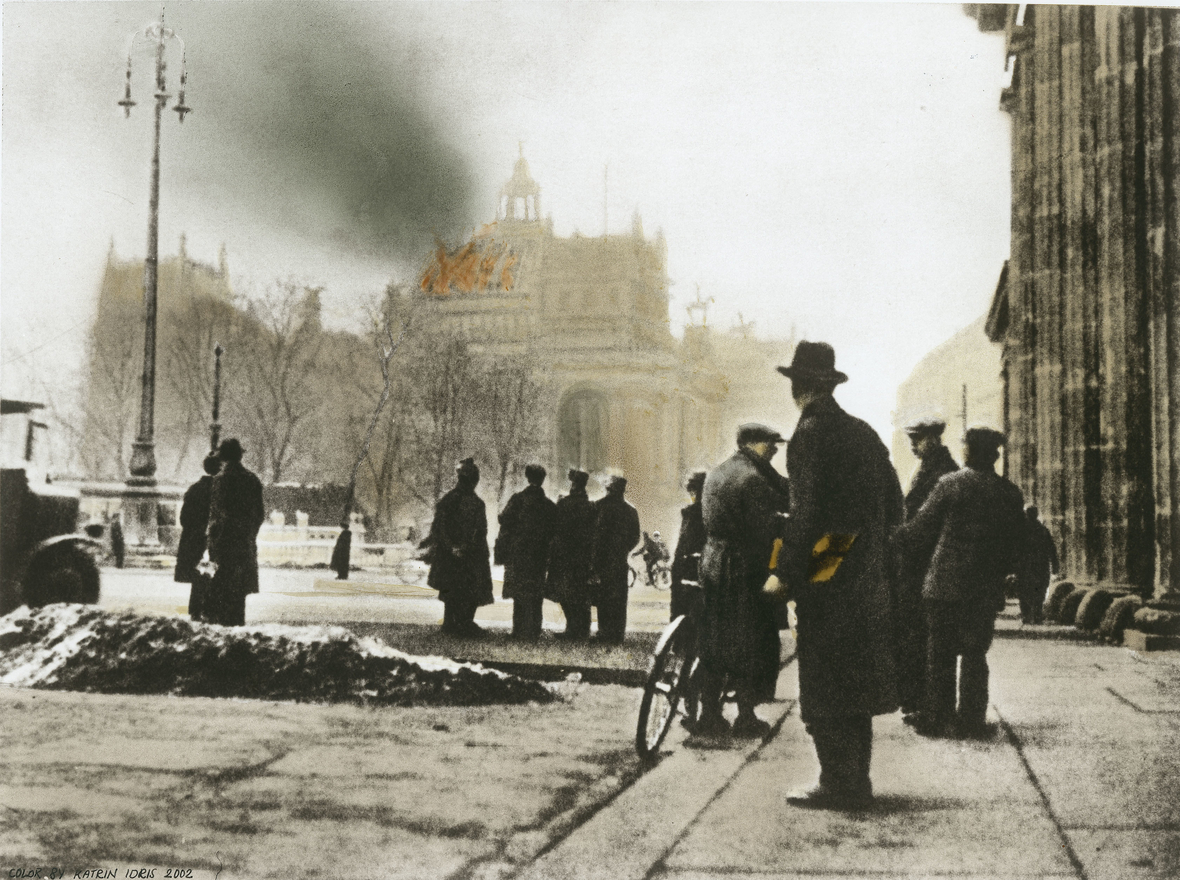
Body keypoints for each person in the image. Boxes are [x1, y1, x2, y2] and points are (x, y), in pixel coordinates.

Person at [765, 341, 904, 810]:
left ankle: (836, 783)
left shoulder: (810, 432)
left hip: (829, 571)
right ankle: (856, 779)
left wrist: (785, 573)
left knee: (823, 676)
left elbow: (803, 514)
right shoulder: (862, 432)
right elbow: (893, 502)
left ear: (798, 387)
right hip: (866, 568)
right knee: (856, 678)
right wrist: (867, 553)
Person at [895, 427, 1025, 739]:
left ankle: (939, 718)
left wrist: (891, 533)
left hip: (943, 585)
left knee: (939, 653)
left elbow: (917, 531)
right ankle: (972, 719)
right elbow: (1016, 544)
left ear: (968, 451)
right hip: (984, 587)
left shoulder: (949, 485)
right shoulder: (1009, 492)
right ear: (993, 454)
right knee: (975, 653)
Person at [696, 425, 790, 738]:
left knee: (713, 639)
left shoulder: (718, 472)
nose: (775, 449)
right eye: (770, 444)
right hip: (743, 567)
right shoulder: (752, 479)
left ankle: (709, 714)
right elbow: (763, 531)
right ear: (753, 444)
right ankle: (746, 716)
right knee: (751, 640)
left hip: (712, 563)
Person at [896, 417, 959, 723]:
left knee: (923, 635)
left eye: (918, 440)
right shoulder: (929, 468)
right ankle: (916, 700)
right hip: (919, 562)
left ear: (934, 439)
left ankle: (923, 703)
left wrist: (897, 537)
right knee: (916, 633)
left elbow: (925, 523)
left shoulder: (943, 472)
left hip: (927, 563)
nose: (913, 446)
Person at [424, 457, 495, 638]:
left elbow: (439, 528)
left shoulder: (449, 500)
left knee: (453, 589)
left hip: (454, 555)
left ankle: (453, 623)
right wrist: (461, 547)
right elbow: (480, 531)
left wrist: (452, 548)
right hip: (469, 556)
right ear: (473, 481)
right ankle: (463, 623)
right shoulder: (475, 503)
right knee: (468, 590)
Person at [205, 438, 265, 626]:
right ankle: (238, 629)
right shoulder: (252, 479)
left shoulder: (221, 480)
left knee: (222, 591)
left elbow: (217, 516)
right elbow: (259, 515)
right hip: (244, 544)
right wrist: (249, 535)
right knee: (239, 594)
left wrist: (213, 543)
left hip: (224, 545)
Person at [498, 464, 557, 641]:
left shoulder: (518, 499)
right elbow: (554, 530)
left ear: (527, 477)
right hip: (539, 554)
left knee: (520, 591)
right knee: (536, 591)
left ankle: (519, 630)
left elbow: (503, 519)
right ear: (542, 479)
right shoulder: (548, 505)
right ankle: (534, 630)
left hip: (519, 553)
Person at [546, 470, 597, 641]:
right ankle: (581, 630)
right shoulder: (591, 506)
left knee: (565, 594)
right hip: (582, 556)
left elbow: (554, 527)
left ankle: (572, 629)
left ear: (573, 484)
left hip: (564, 555)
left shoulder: (564, 504)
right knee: (581, 594)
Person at [590, 476, 641, 645]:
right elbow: (635, 537)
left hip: (601, 558)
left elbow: (592, 535)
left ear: (608, 488)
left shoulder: (598, 506)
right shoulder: (631, 510)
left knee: (603, 596)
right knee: (619, 598)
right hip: (619, 559)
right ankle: (617, 634)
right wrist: (623, 549)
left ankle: (603, 633)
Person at [174, 453, 221, 621]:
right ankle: (210, 611)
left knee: (197, 577)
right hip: (213, 541)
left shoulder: (194, 489)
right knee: (213, 576)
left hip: (194, 541)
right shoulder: (221, 490)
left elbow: (184, 519)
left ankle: (195, 610)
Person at [670, 471, 708, 622]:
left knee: (682, 610)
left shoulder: (691, 514)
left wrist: (676, 566)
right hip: (704, 564)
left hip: (688, 566)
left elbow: (683, 544)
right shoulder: (710, 512)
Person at [1017, 505, 1059, 624]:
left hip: (1026, 566)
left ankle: (1027, 615)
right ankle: (1036, 614)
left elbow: (1015, 549)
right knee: (1038, 590)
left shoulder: (1022, 531)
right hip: (1040, 566)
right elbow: (1052, 549)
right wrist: (1055, 565)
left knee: (1025, 591)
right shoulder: (1043, 530)